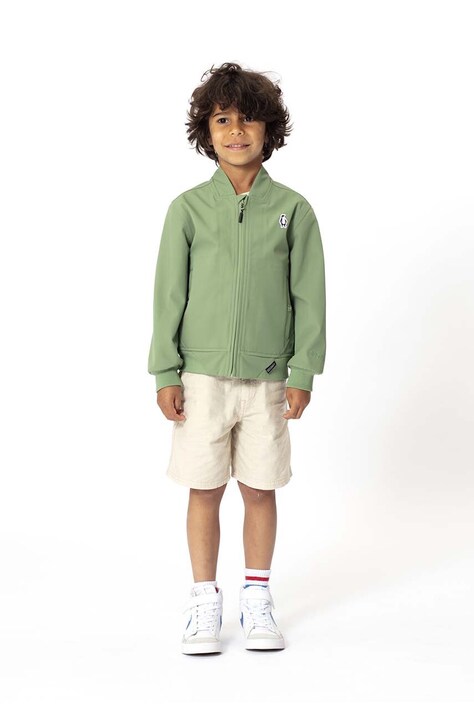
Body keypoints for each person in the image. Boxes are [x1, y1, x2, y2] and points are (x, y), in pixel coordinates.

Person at [147, 62, 326, 655]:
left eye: (248, 119)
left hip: (268, 380)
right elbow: (169, 296)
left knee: (259, 487)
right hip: (200, 378)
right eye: (223, 119)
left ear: (269, 129)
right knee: (203, 489)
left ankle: (257, 597)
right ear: (207, 130)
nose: (236, 130)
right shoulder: (188, 209)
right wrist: (165, 370)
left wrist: (303, 370)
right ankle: (204, 601)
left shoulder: (293, 209)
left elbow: (309, 295)